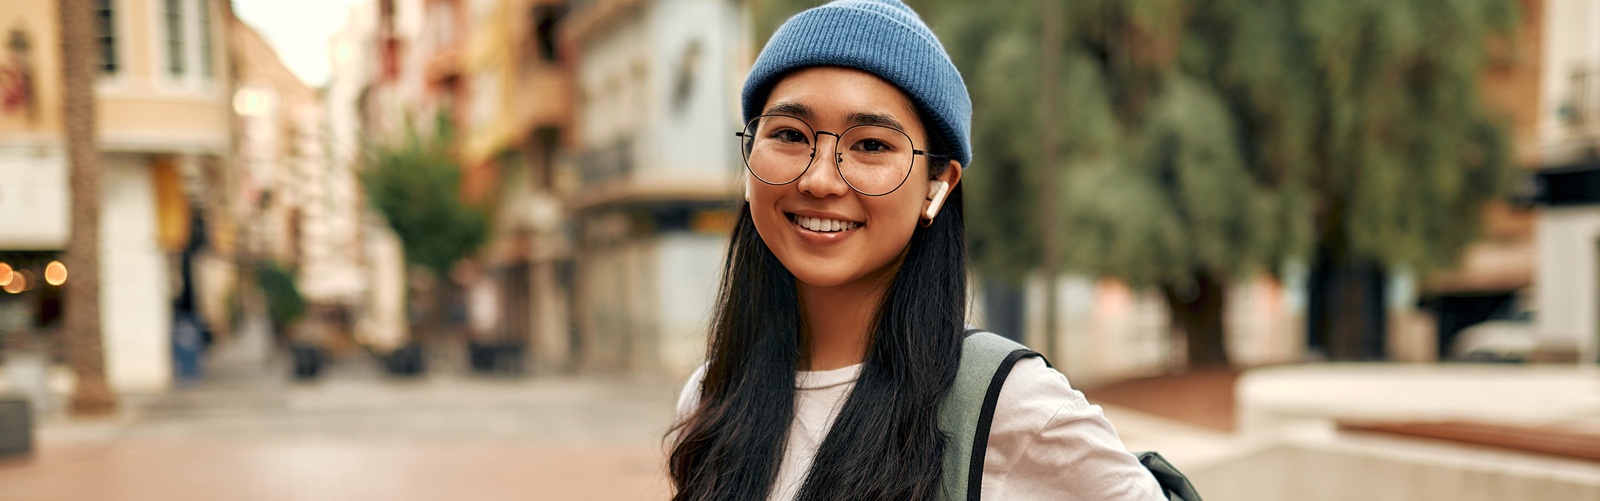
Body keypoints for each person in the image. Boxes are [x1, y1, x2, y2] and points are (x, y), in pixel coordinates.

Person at [668, 1, 1165, 499]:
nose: (819, 180)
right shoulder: (713, 394)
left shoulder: (1005, 403)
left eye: (871, 145)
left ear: (937, 185)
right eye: (789, 135)